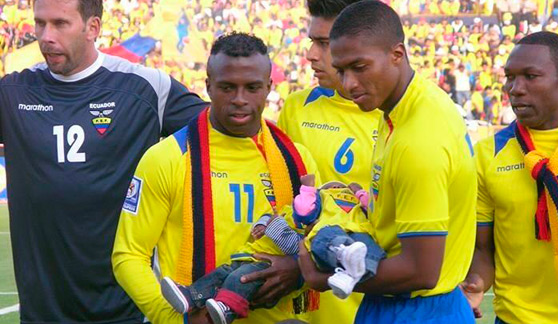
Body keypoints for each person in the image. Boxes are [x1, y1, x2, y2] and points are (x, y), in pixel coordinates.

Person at [0, 0, 207, 322]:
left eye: (60, 23)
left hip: (127, 309)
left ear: (93, 28)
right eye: (40, 24)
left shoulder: (147, 88)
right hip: (42, 313)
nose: (45, 36)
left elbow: (221, 130)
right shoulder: (13, 92)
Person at [112, 32, 320, 324]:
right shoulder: (167, 158)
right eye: (227, 87)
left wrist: (298, 270)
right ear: (208, 86)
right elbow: (128, 256)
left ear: (269, 87)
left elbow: (318, 243)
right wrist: (177, 320)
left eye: (252, 88)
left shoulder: (297, 161)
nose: (239, 99)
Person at [298, 2, 477, 323]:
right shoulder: (402, 107)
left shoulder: (419, 139)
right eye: (342, 71)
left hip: (416, 310)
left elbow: (421, 272)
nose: (350, 83)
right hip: (402, 304)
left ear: (397, 54)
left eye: (360, 67)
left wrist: (321, 280)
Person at [276, 0, 382, 322]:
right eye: (312, 41)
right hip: (308, 306)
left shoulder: (401, 119)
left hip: (374, 301)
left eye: (324, 43)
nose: (310, 54)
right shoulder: (296, 110)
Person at [158, 174, 385, 323]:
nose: (335, 190)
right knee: (224, 272)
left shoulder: (315, 232)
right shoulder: (292, 212)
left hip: (266, 262)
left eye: (339, 190)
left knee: (241, 277)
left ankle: (227, 307)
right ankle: (191, 295)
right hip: (251, 252)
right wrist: (262, 224)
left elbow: (293, 245)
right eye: (329, 189)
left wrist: (279, 228)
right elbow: (272, 214)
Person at [462, 31, 558, 324]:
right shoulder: (487, 154)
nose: (515, 88)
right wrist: (476, 283)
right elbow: (483, 250)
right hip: (516, 318)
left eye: (530, 76)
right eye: (510, 77)